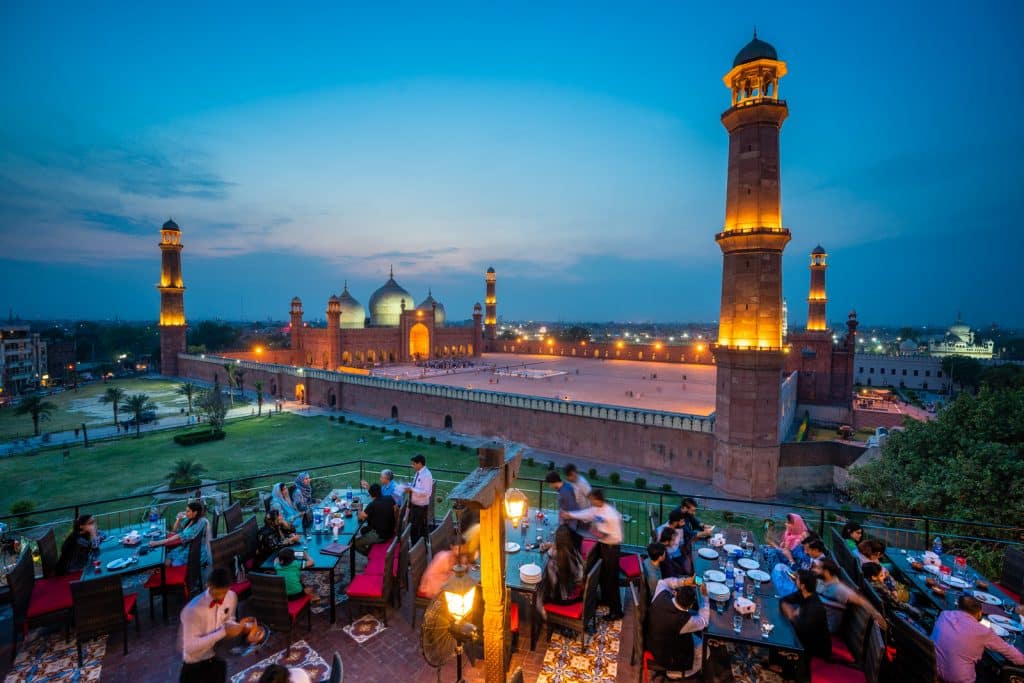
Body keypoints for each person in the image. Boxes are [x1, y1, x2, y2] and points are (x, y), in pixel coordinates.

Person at [179, 568, 258, 682]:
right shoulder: (192, 610)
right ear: (208, 585)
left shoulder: (231, 597)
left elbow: (229, 619)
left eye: (224, 593)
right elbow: (189, 648)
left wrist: (239, 627)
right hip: (195, 664)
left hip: (217, 658)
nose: (221, 597)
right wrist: (223, 631)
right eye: (217, 593)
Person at [561, 488, 624, 620]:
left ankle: (616, 611)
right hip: (602, 544)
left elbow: (616, 535)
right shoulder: (596, 508)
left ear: (598, 499)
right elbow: (586, 514)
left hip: (611, 548)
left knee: (611, 579)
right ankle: (604, 599)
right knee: (599, 574)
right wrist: (570, 515)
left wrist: (596, 532)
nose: (590, 503)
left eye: (592, 500)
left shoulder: (611, 514)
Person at [932, 594, 1024, 683]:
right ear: (980, 613)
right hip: (958, 679)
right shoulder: (983, 632)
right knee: (992, 673)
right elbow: (1013, 655)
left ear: (958, 606)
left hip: (932, 668)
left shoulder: (944, 615)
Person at [645, 582, 710, 679]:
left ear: (676, 593)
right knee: (706, 650)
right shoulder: (684, 621)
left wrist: (684, 581)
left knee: (693, 635)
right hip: (664, 655)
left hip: (650, 638)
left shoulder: (661, 593)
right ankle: (678, 673)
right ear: (691, 605)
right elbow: (704, 621)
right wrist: (705, 598)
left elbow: (662, 582)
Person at [816, 559, 885, 633]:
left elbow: (861, 601)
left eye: (818, 568)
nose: (815, 570)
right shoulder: (822, 582)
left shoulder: (839, 589)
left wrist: (877, 615)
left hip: (825, 626)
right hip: (816, 618)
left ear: (826, 572)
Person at [780, 569, 832, 660]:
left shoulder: (815, 608)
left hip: (816, 649)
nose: (795, 580)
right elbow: (783, 600)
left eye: (797, 579)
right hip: (803, 638)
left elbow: (801, 630)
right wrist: (791, 614)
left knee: (782, 639)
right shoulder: (802, 594)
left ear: (803, 586)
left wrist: (792, 616)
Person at [150, 501, 211, 568]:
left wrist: (159, 542)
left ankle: (175, 574)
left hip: (194, 551)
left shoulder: (201, 522)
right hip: (186, 547)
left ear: (195, 512)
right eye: (186, 511)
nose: (186, 513)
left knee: (172, 563)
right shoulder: (190, 519)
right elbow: (174, 530)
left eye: (188, 511)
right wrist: (178, 519)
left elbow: (180, 535)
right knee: (166, 560)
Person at [541, 525, 585, 608]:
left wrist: (551, 547)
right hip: (576, 593)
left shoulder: (555, 558)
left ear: (557, 540)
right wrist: (552, 545)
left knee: (540, 594)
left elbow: (553, 583)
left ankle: (540, 616)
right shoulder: (573, 550)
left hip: (564, 599)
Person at [353, 483, 396, 555]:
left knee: (354, 543)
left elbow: (360, 517)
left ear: (370, 494)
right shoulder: (390, 498)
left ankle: (370, 555)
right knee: (363, 530)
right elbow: (396, 510)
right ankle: (370, 547)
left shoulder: (372, 505)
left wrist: (359, 508)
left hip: (380, 535)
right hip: (390, 530)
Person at [545, 471, 581, 551]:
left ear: (553, 482)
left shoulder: (565, 492)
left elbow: (573, 509)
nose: (550, 486)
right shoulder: (565, 486)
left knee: (569, 551)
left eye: (550, 484)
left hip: (570, 526)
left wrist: (563, 523)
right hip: (567, 524)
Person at [405, 454, 433, 545]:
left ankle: (416, 548)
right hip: (415, 505)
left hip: (420, 506)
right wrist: (410, 486)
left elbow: (426, 492)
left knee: (415, 529)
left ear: (420, 464)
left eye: (414, 464)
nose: (412, 466)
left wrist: (412, 489)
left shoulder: (426, 475)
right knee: (415, 527)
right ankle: (419, 546)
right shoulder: (418, 473)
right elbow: (418, 487)